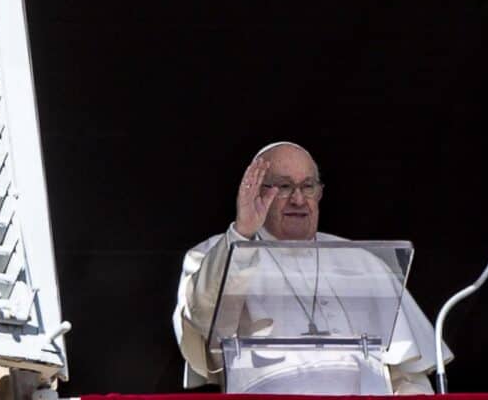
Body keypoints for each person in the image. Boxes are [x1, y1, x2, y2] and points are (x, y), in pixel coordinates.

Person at [173, 141, 451, 394]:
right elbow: (204, 319)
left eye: (307, 186)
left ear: (319, 194)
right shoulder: (214, 253)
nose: (298, 199)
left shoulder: (363, 263)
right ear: (256, 192)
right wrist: (243, 233)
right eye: (283, 187)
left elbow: (406, 374)